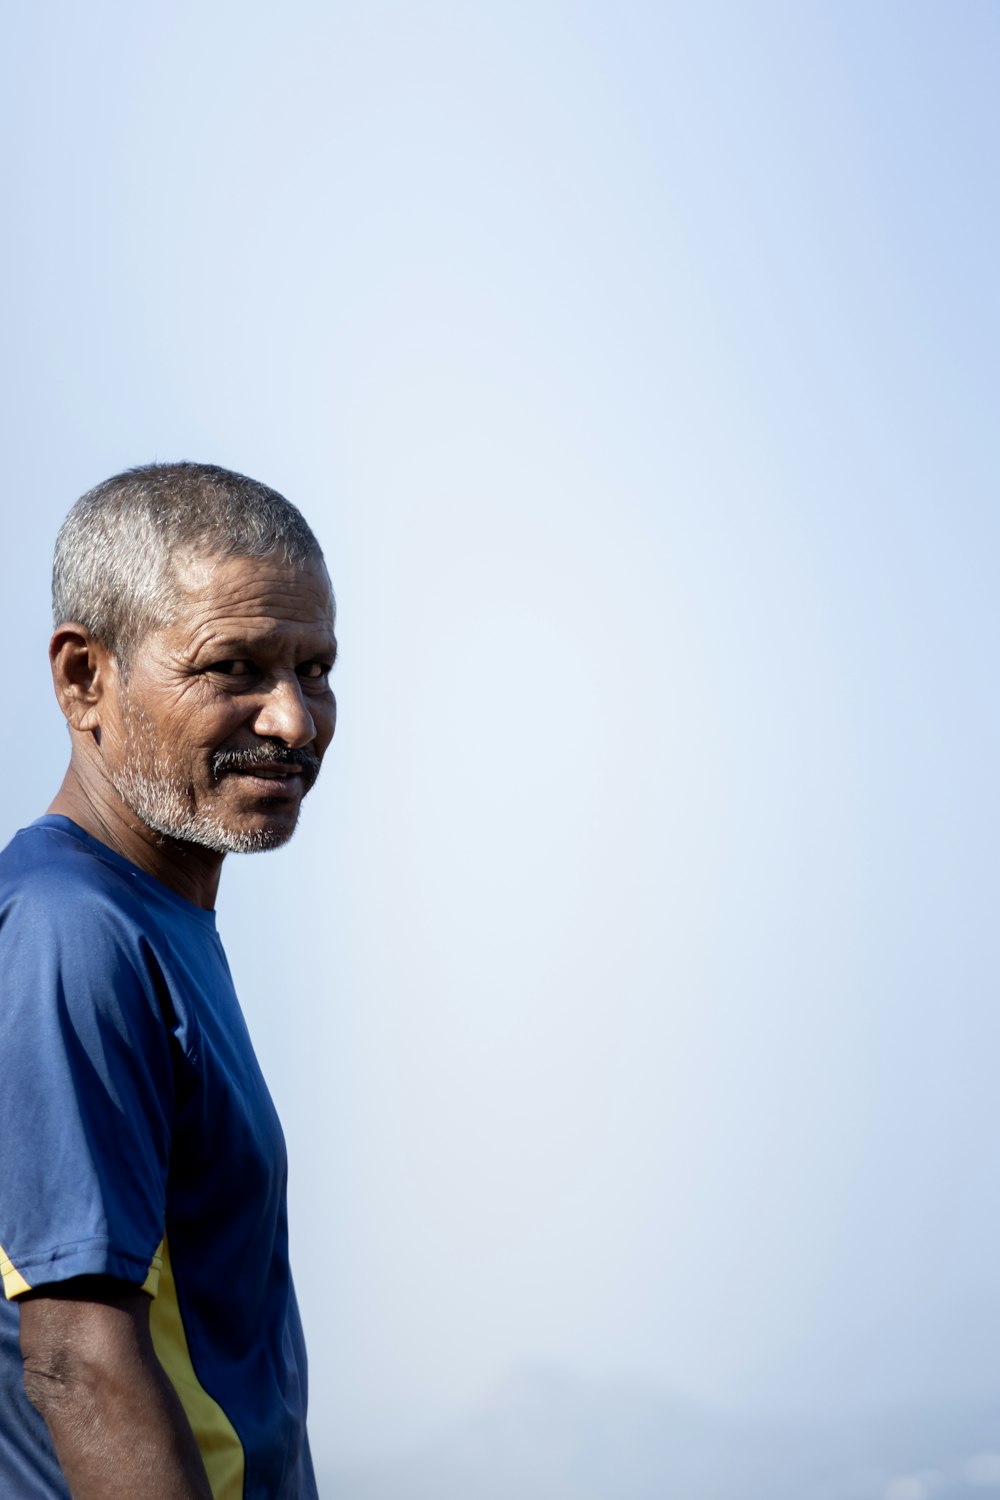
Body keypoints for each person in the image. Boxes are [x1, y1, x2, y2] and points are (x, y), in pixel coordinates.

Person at [0, 462, 337, 1500]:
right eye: (233, 666)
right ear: (82, 679)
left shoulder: (152, 918)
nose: (293, 721)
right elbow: (78, 1359)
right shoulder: (70, 930)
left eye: (316, 669)